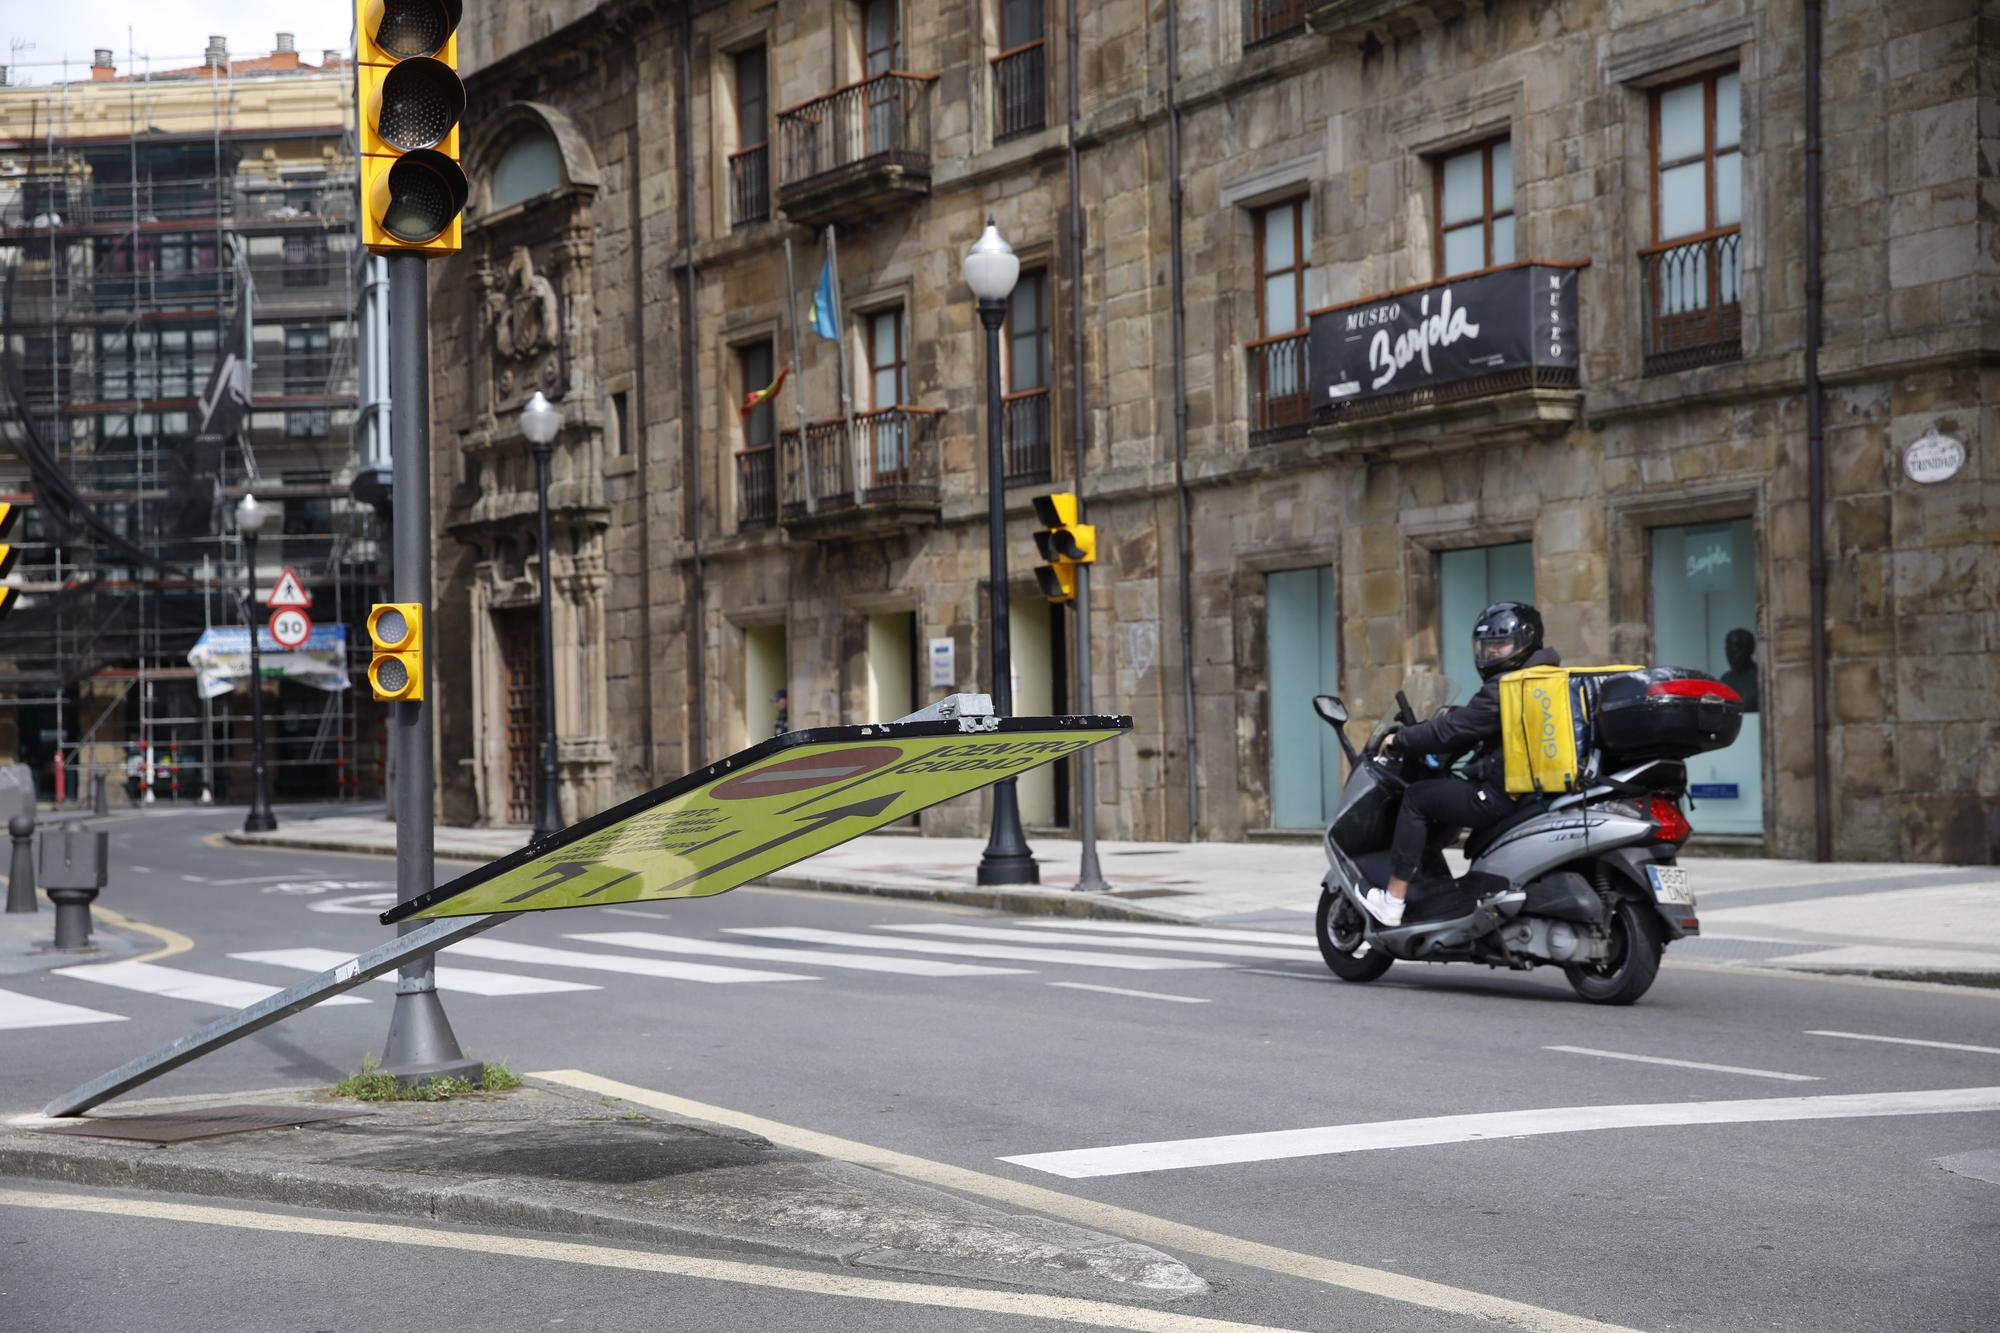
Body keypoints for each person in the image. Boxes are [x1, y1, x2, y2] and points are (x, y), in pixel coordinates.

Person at [1362, 602, 1560, 926]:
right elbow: (1476, 728)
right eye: (1488, 646)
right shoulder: (1543, 680)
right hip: (1530, 791)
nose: (1493, 653)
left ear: (1525, 642)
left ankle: (1393, 901)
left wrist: (1401, 739)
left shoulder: (1507, 687)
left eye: (1502, 644)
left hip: (1499, 794)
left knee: (1416, 799)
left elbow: (1451, 731)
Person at [1720, 628, 1759, 713]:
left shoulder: (1760, 676)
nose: (1731, 656)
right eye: (1728, 650)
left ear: (1749, 650)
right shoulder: (1725, 680)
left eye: (1735, 651)